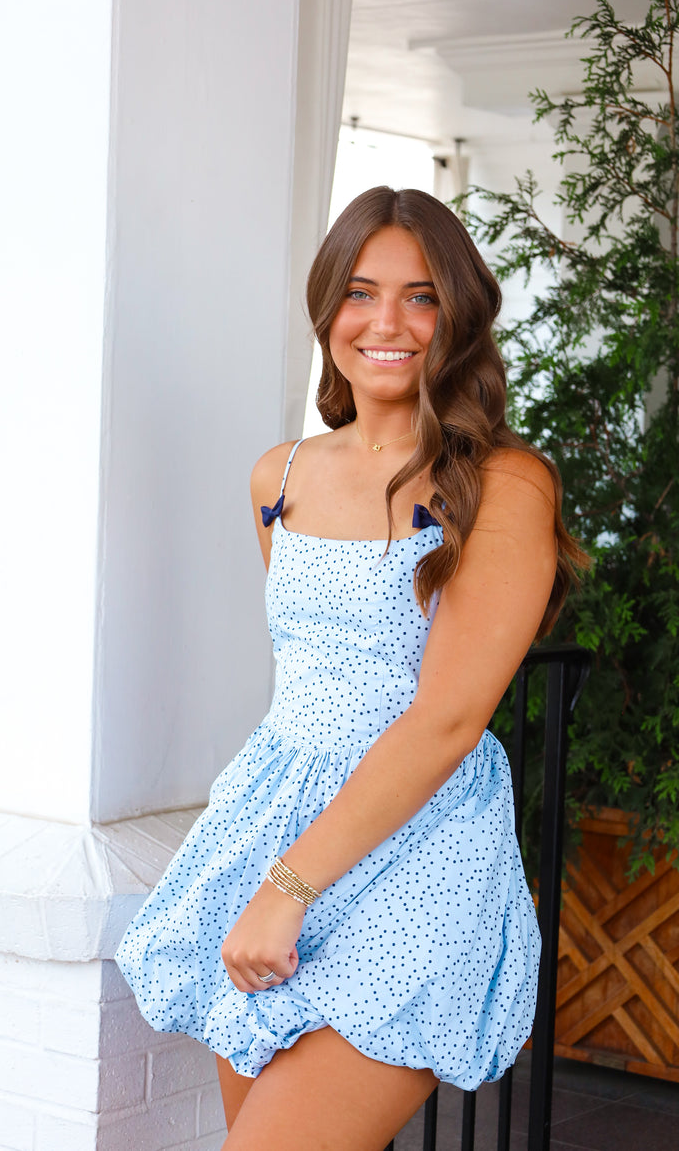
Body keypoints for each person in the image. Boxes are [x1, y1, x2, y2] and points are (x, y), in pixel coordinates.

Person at [115, 186, 585, 1150]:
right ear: (328, 307)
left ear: (460, 314)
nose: (389, 323)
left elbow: (448, 719)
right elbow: (309, 677)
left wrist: (288, 889)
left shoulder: (503, 483)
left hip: (417, 847)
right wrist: (268, 872)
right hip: (271, 823)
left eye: (422, 296)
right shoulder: (279, 476)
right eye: (362, 292)